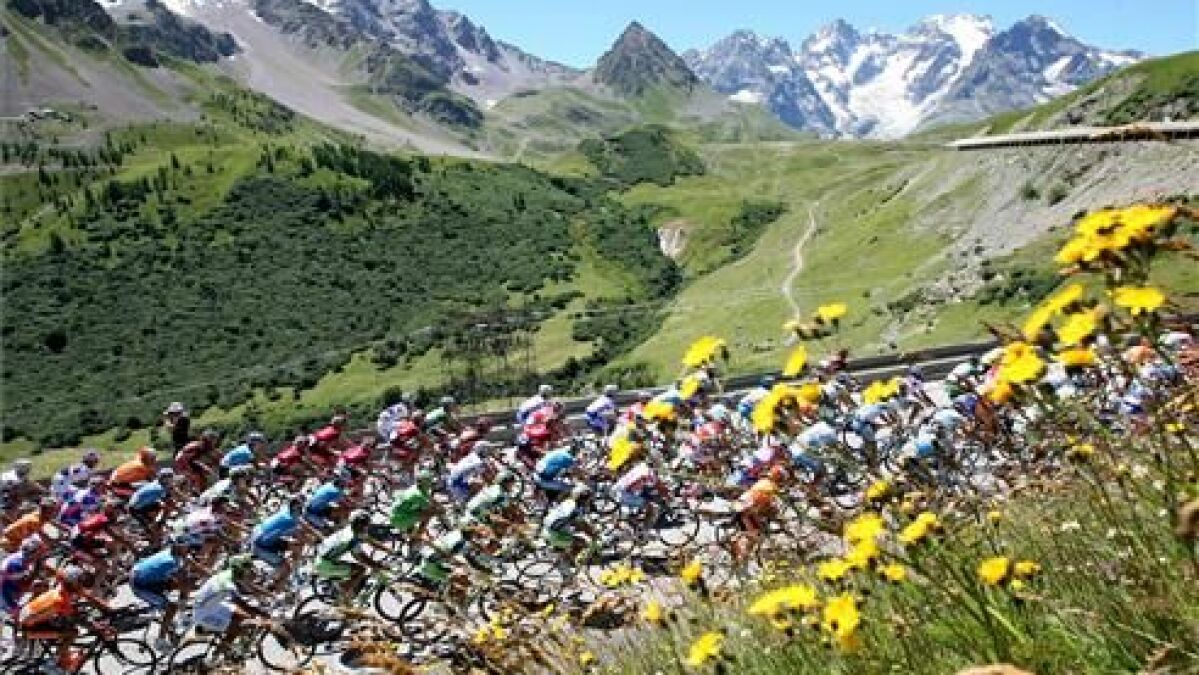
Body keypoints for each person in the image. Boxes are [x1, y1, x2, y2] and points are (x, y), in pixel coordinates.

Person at [19, 565, 114, 673]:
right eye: (80, 581)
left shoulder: (63, 587)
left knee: (69, 621)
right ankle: (59, 663)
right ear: (73, 583)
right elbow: (76, 618)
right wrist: (99, 628)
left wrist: (109, 609)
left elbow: (88, 596)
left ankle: (62, 653)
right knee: (71, 633)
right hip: (30, 628)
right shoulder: (60, 600)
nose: (82, 583)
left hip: (33, 616)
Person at [190, 554, 270, 658]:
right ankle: (215, 656)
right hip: (203, 613)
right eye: (248, 569)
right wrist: (261, 612)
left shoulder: (229, 573)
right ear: (241, 570)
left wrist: (271, 595)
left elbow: (251, 586)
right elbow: (242, 603)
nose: (250, 571)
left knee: (246, 616)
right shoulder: (228, 584)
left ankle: (237, 646)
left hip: (214, 605)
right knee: (240, 627)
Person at [130, 539, 197, 644]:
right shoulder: (171, 562)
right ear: (180, 547)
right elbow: (182, 579)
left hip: (141, 574)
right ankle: (160, 639)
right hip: (139, 585)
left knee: (182, 583)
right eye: (186, 547)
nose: (188, 549)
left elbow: (183, 575)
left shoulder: (170, 551)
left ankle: (176, 617)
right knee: (172, 607)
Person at [313, 511, 387, 604]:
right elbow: (360, 557)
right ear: (360, 525)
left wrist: (389, 551)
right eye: (366, 525)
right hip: (325, 565)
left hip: (321, 560)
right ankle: (343, 595)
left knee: (357, 570)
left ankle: (345, 591)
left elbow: (370, 541)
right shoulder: (351, 538)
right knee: (361, 570)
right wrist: (377, 565)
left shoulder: (349, 530)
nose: (367, 527)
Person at [250, 495, 319, 590]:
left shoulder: (287, 511)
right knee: (286, 568)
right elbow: (302, 535)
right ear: (295, 509)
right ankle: (272, 590)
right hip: (261, 546)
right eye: (300, 509)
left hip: (264, 538)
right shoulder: (289, 520)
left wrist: (317, 536)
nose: (302, 511)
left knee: (296, 547)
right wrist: (318, 543)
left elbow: (304, 526)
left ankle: (295, 573)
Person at [541, 485, 596, 560]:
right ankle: (566, 561)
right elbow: (581, 525)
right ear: (583, 498)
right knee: (582, 542)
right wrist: (592, 533)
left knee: (572, 534)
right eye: (588, 499)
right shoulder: (576, 509)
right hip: (553, 535)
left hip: (546, 529)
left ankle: (558, 553)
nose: (589, 501)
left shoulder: (568, 501)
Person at [1, 536, 45, 619]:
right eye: (39, 553)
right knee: (21, 616)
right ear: (32, 553)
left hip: (9, 584)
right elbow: (24, 586)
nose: (41, 555)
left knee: (40, 586)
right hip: (4, 592)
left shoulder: (22, 556)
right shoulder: (18, 565)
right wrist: (36, 569)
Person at [388, 471, 438, 538]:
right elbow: (431, 508)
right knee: (427, 514)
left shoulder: (417, 487)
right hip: (398, 518)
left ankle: (415, 532)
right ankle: (417, 536)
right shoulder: (418, 495)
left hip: (400, 513)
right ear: (425, 482)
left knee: (422, 511)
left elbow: (430, 499)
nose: (431, 483)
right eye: (430, 481)